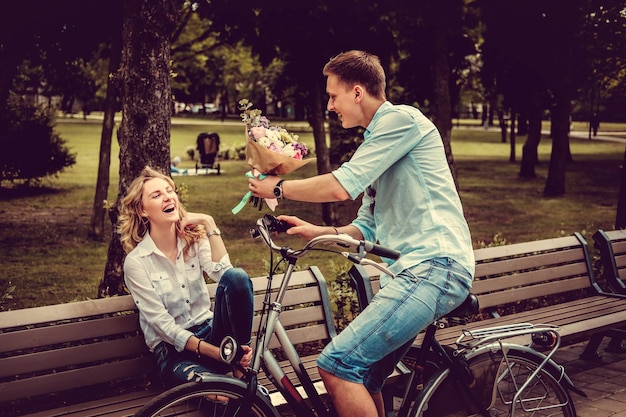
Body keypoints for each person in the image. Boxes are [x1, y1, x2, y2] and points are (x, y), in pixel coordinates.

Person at [248, 50, 475, 417]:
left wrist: (277, 188)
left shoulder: (400, 120)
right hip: (414, 272)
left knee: (337, 365)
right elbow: (365, 227)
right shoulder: (378, 143)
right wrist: (317, 231)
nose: (330, 105)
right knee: (365, 376)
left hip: (435, 266)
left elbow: (342, 186)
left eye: (333, 96)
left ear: (357, 92)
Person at [119, 166, 253, 388]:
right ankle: (235, 379)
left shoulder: (194, 239)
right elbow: (163, 326)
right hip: (174, 353)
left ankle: (241, 370)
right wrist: (219, 354)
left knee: (237, 277)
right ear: (143, 211)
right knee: (218, 395)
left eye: (170, 191)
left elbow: (224, 275)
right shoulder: (137, 263)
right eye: (157, 195)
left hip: (213, 335)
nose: (168, 197)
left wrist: (209, 223)